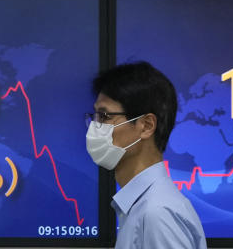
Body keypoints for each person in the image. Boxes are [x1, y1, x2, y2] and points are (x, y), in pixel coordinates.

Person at [87, 62, 207, 249]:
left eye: (104, 116)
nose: (94, 127)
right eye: (95, 117)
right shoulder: (142, 207)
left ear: (146, 126)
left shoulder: (156, 214)